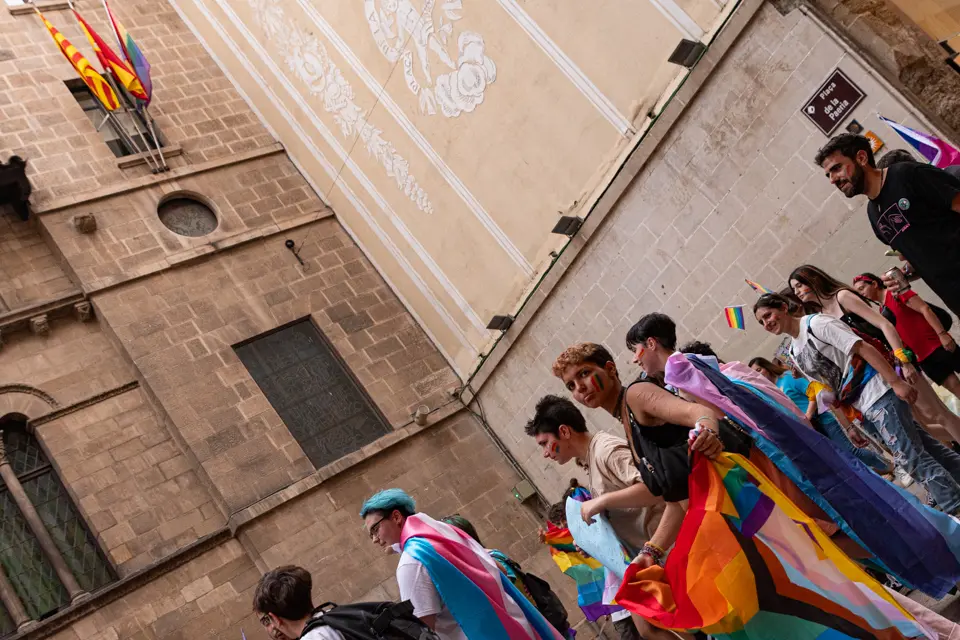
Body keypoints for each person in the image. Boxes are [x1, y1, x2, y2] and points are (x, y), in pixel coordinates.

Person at [753, 292, 960, 520]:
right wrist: (850, 425)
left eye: (768, 315)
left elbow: (863, 349)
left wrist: (895, 381)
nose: (767, 323)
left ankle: (953, 505)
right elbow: (828, 388)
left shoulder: (817, 323)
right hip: (860, 405)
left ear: (783, 307)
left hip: (878, 389)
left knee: (909, 457)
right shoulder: (793, 351)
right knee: (925, 447)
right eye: (761, 322)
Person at [524, 395, 671, 640]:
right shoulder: (590, 461)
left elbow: (654, 489)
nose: (545, 454)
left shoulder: (606, 450)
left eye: (544, 443)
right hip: (650, 557)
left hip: (667, 550)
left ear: (564, 431)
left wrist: (601, 502)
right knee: (649, 628)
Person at [790, 264, 960, 443]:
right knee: (919, 428)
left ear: (813, 279)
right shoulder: (819, 316)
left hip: (894, 362)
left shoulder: (842, 297)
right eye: (794, 289)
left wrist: (903, 360)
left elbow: (884, 324)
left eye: (799, 285)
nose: (797, 292)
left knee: (937, 414)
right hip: (875, 376)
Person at [360, 489, 563, 640]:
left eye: (375, 529)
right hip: (516, 624)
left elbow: (421, 629)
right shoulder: (445, 532)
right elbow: (497, 569)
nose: (375, 540)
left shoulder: (412, 560)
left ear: (396, 517)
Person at [814, 133, 960, 316]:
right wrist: (904, 275)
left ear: (861, 157)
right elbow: (920, 258)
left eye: (837, 168)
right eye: (828, 174)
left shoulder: (907, 174)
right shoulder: (873, 214)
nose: (832, 179)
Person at [748, 356, 891, 473]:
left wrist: (808, 415)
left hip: (822, 420)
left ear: (767, 367)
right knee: (841, 459)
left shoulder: (787, 379)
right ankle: (881, 470)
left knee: (850, 451)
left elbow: (814, 391)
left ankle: (887, 465)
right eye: (755, 373)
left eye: (759, 369)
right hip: (811, 428)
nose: (759, 374)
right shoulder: (772, 391)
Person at [854, 272, 960, 403]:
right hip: (923, 358)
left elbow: (924, 308)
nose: (861, 294)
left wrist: (942, 334)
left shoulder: (896, 293)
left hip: (937, 344)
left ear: (874, 284)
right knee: (955, 388)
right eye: (858, 292)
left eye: (862, 288)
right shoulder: (882, 312)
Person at [253, 566, 345, 640]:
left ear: (275, 619)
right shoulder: (336, 617)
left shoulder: (314, 636)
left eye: (267, 619)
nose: (273, 627)